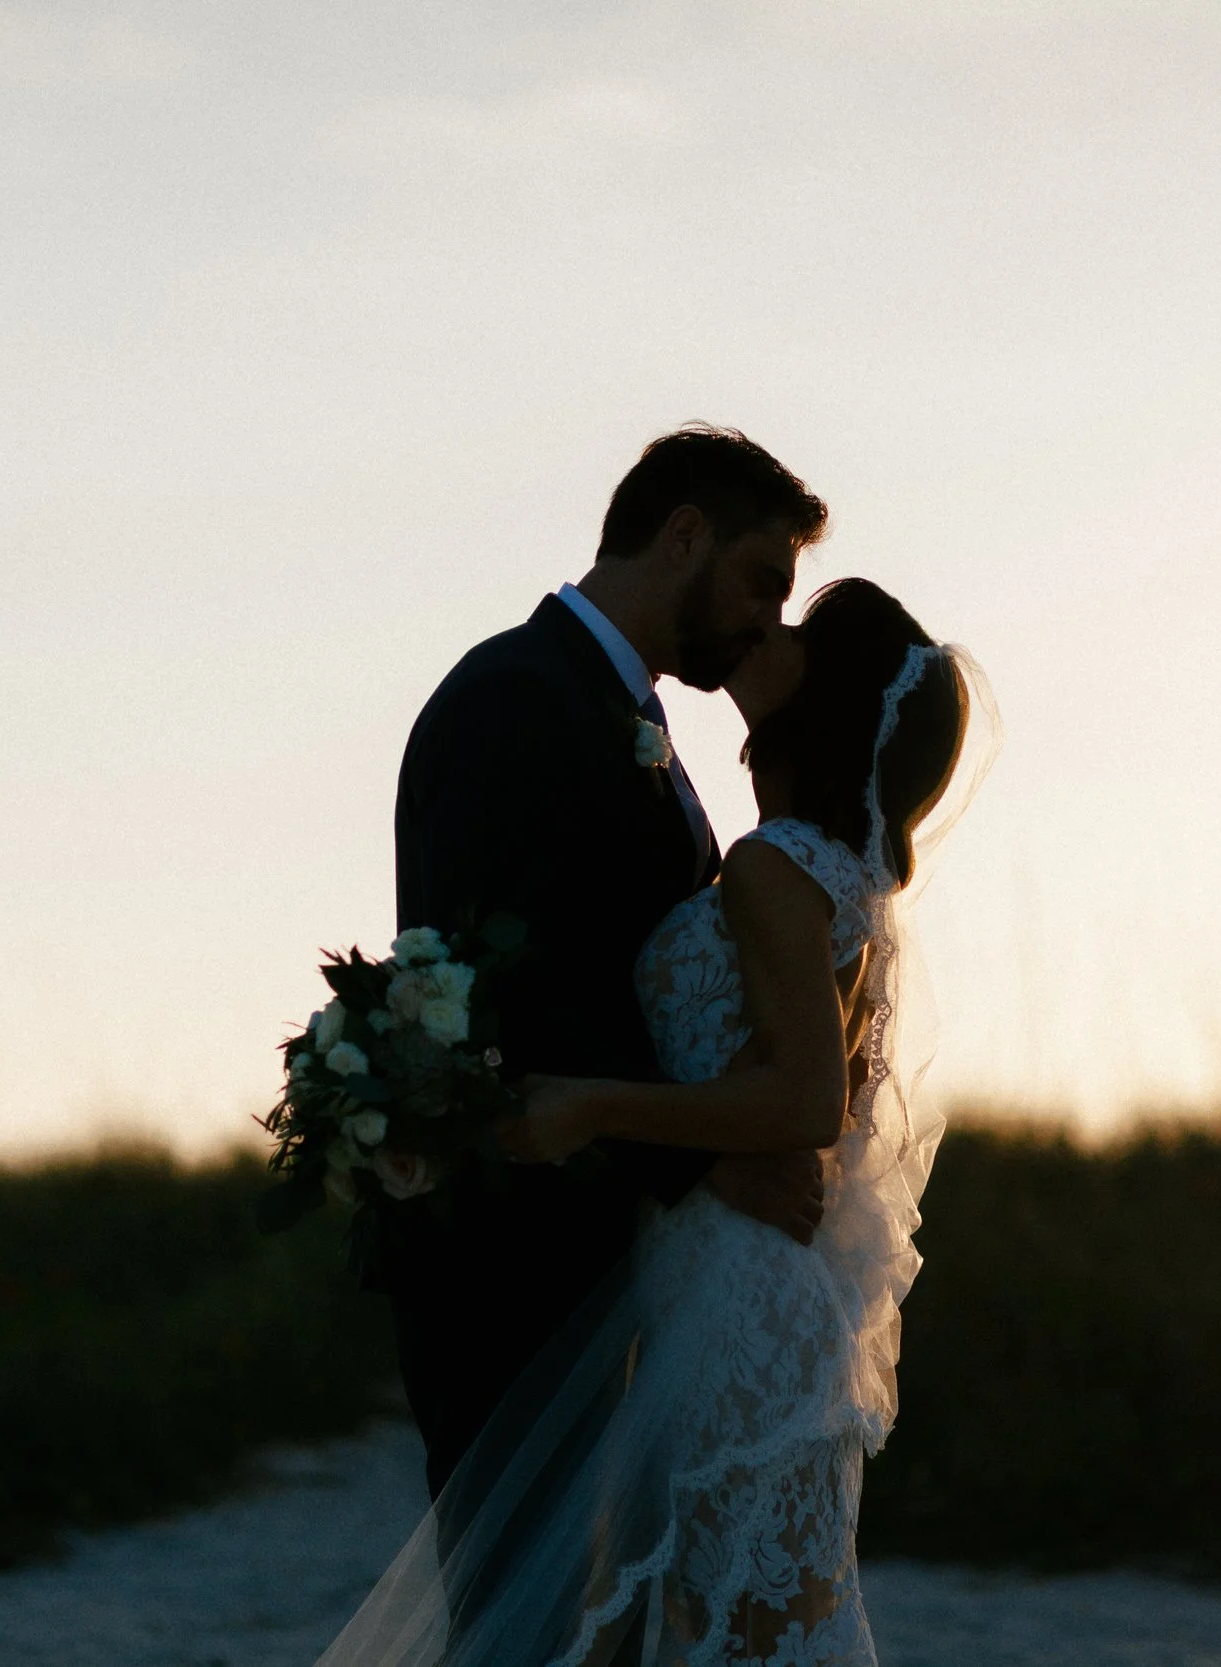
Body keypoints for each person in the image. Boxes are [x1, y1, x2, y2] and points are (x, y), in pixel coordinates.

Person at [326, 559, 990, 1666]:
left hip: (735, 1291)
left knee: (744, 1624)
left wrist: (590, 1104)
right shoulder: (820, 875)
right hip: (721, 1278)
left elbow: (805, 1100)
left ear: (819, 699)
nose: (766, 632)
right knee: (723, 1620)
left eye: (797, 634)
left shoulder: (777, 870)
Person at [381, 425, 836, 1503]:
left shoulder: (633, 717)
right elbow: (501, 989)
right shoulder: (515, 695)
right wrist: (700, 1153)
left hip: (608, 1237)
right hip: (513, 1246)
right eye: (761, 582)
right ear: (683, 534)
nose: (767, 620)